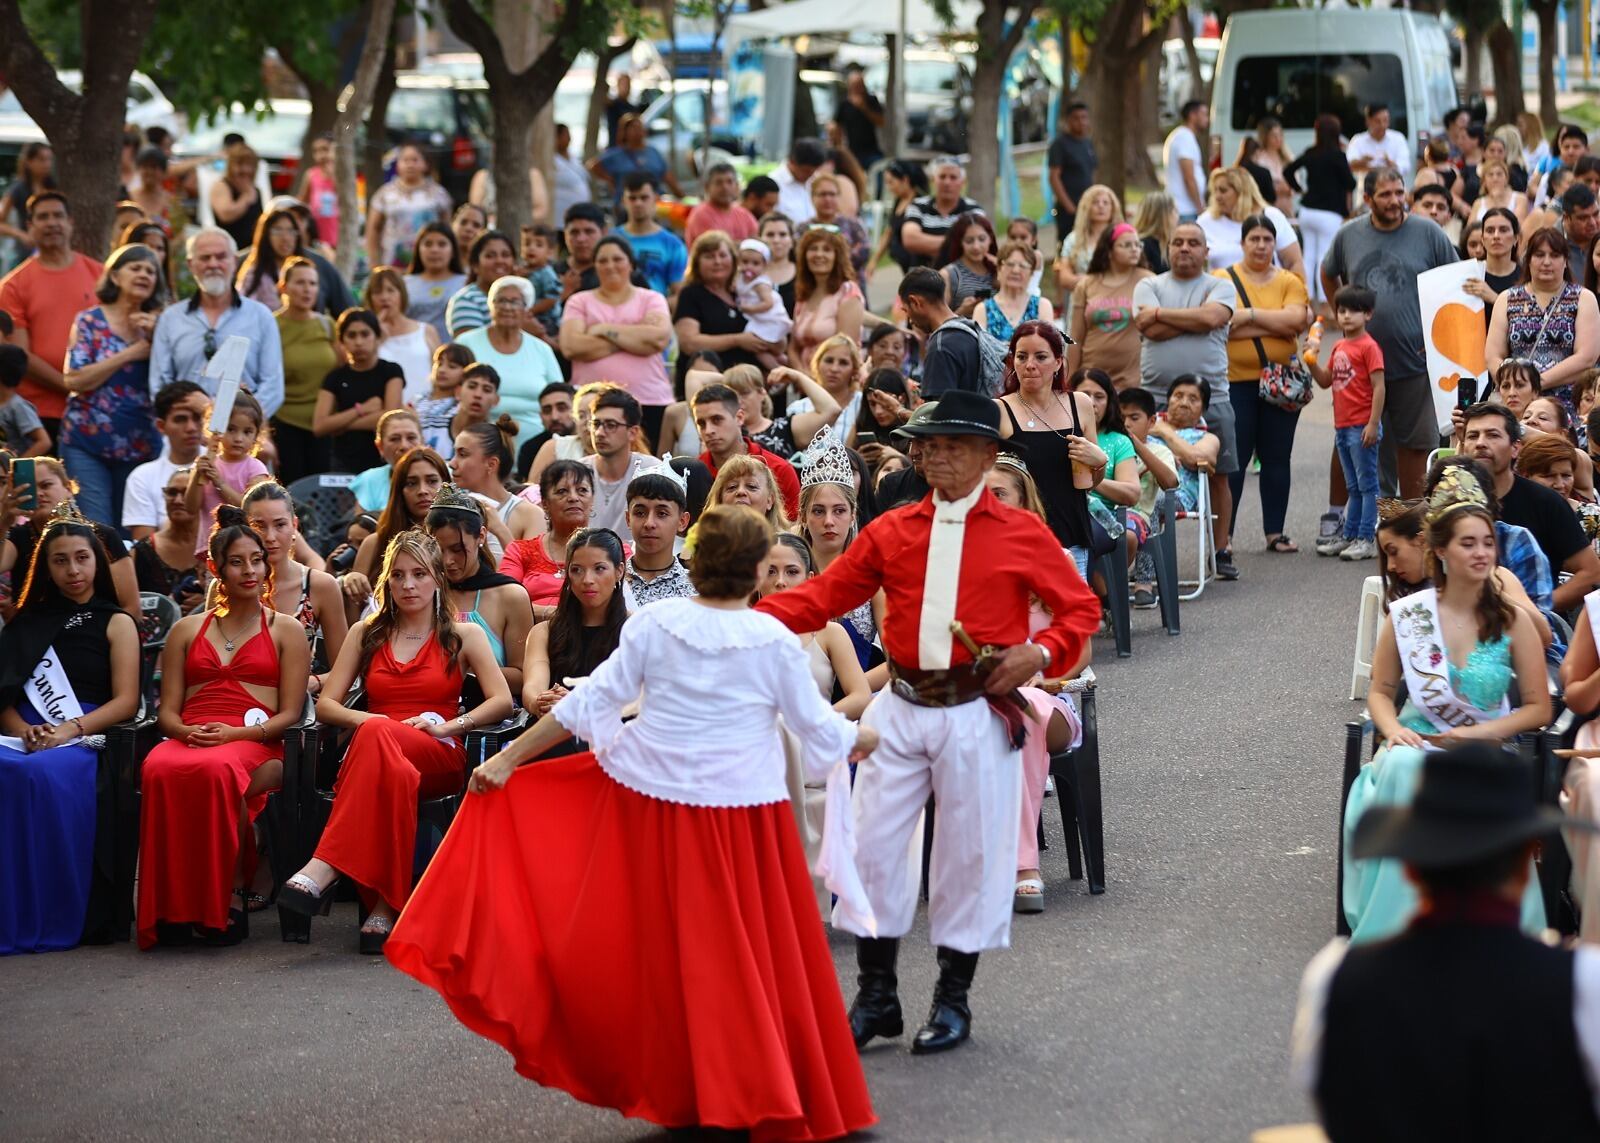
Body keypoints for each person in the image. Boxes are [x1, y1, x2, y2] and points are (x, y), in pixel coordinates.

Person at [391, 504, 877, 1139]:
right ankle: (752, 1084)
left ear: (695, 564)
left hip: (663, 811)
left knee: (675, 952)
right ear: (758, 571)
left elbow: (592, 700)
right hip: (745, 820)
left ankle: (696, 1086)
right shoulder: (775, 641)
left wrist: (509, 759)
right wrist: (865, 738)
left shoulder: (656, 623)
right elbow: (817, 729)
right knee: (749, 954)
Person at [756, 389, 1098, 1056]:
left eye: (945, 444)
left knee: (968, 856)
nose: (928, 454)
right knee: (873, 849)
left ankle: (952, 998)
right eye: (924, 443)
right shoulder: (891, 528)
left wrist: (1038, 650)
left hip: (975, 709)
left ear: (983, 454)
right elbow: (825, 595)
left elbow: (1080, 611)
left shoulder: (1023, 531)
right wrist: (736, 619)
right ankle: (878, 995)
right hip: (901, 708)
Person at [1297, 743, 1600, 1139]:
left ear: (1409, 868)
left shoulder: (1333, 978)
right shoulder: (1583, 985)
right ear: (1524, 867)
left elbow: (1333, 1105)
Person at [1341, 467, 1551, 948]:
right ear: (1440, 551)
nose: (1482, 553)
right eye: (1468, 544)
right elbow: (1380, 689)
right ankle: (1399, 930)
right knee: (1401, 770)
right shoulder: (1408, 617)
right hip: (1416, 738)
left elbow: (1540, 708)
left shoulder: (1513, 620)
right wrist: (1392, 729)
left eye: (1487, 543)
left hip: (1486, 744)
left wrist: (1476, 736)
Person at [281, 530, 510, 952]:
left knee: (377, 742)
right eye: (398, 575)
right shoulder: (367, 632)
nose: (408, 585)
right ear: (386, 582)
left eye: (419, 574)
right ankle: (386, 907)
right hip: (380, 751)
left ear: (438, 579)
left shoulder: (464, 635)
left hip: (436, 749)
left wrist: (448, 727)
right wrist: (376, 721)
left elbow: (502, 701)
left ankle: (326, 865)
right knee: (382, 749)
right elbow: (329, 705)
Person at [136, 510, 312, 948]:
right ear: (215, 567)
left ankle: (228, 893)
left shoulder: (287, 630)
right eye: (237, 561)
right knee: (159, 767)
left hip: (258, 740)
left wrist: (234, 736)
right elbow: (167, 712)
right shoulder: (185, 629)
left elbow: (291, 712)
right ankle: (171, 906)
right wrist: (185, 733)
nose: (249, 570)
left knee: (217, 773)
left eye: (256, 560)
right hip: (193, 735)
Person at [0, 508, 140, 955]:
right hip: (25, 729)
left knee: (35, 775)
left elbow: (126, 701)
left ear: (98, 562)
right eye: (60, 560)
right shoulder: (26, 622)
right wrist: (24, 730)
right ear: (45, 567)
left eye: (82, 557)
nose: (73, 570)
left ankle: (58, 909)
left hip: (84, 731)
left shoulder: (116, 621)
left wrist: (67, 730)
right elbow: (3, 695)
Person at [1322, 168, 1460, 499]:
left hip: (1414, 358)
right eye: (1385, 194)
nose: (1395, 201)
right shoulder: (1349, 235)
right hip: (1359, 363)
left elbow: (1453, 282)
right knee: (1352, 440)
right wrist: (1344, 317)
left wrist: (1441, 344)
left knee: (1415, 445)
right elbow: (1329, 274)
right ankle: (1340, 519)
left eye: (1400, 192)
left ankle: (1408, 521)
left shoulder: (1428, 233)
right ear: (1367, 199)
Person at [1133, 222, 1241, 575]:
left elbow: (1213, 317)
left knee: (1219, 474)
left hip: (1213, 397)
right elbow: (1146, 327)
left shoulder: (1220, 286)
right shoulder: (1149, 284)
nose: (1184, 248)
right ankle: (1144, 555)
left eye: (1193, 243)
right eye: (1177, 242)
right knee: (1144, 471)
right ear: (1168, 248)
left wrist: (1161, 315)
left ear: (1206, 251)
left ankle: (1221, 549)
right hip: (1153, 398)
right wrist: (1195, 321)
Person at [1218, 214, 1313, 553]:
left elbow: (1297, 319)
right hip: (1234, 383)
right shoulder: (1222, 280)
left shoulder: (1289, 280)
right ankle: (1223, 538)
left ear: (1275, 243)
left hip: (1280, 383)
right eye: (1254, 239)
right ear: (1242, 243)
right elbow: (1221, 325)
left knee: (1276, 458)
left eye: (1267, 239)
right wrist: (1275, 324)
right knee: (1235, 460)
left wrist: (1248, 316)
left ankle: (1276, 531)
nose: (1261, 245)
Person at [59, 243, 163, 526]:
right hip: (86, 443)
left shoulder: (162, 327)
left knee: (131, 531)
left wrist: (158, 338)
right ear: (115, 276)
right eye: (136, 268)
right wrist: (131, 353)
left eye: (151, 271)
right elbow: (75, 380)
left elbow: (175, 381)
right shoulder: (90, 321)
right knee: (97, 530)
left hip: (141, 448)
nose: (144, 274)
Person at [1462, 402, 1600, 611]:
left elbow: (1590, 573)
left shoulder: (1545, 502)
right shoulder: (1450, 498)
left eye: (1492, 435)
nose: (1481, 443)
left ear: (1515, 448)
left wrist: (1534, 609)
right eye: (1473, 436)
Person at [996, 320, 1106, 575]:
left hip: (1071, 533)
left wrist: (1099, 462)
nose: (1030, 365)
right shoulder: (1000, 409)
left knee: (1071, 612)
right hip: (1019, 539)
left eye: (1041, 356)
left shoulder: (1080, 404)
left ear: (1058, 362)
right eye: (1021, 357)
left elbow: (1089, 483)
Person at [149, 227, 284, 419]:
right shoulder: (171, 319)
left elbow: (273, 387)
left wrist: (232, 421)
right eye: (205, 258)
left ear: (234, 262)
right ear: (190, 264)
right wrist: (189, 416)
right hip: (186, 434)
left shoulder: (261, 316)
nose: (213, 264)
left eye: (221, 257)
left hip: (240, 439)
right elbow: (159, 385)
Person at [0, 192, 103, 438]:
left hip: (98, 409)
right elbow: (20, 354)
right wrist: (72, 386)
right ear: (30, 226)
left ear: (71, 222)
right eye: (43, 217)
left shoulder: (100, 274)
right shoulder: (13, 285)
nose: (52, 222)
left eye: (58, 215)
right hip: (39, 415)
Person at [559, 235, 673, 447]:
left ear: (630, 263)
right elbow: (571, 345)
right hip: (591, 406)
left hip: (650, 400)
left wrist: (602, 329)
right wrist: (636, 337)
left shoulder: (652, 299)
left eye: (617, 259)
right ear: (595, 266)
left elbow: (658, 338)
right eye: (603, 260)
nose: (610, 266)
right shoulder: (579, 301)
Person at [425, 484, 533, 696]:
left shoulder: (510, 596)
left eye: (457, 549)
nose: (448, 561)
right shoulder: (423, 590)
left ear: (481, 536)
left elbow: (523, 678)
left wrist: (465, 668)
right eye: (438, 550)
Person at [239, 482, 348, 687]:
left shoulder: (321, 586)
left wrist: (310, 682)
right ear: (245, 529)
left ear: (295, 526)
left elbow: (346, 673)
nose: (270, 537)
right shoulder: (228, 587)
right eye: (259, 526)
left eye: (280, 525)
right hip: (235, 700)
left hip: (301, 707)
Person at [1487, 226, 1600, 418]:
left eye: (1554, 255)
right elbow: (1492, 356)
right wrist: (1515, 387)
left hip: (1564, 404)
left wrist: (1536, 383)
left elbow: (1587, 357)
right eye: (1539, 255)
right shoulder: (1507, 298)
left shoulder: (1583, 298)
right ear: (1528, 260)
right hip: (1515, 404)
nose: (1546, 262)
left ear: (1565, 261)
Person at [521, 526, 627, 721]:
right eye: (577, 570)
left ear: (619, 571)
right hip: (553, 724)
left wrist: (578, 703)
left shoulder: (636, 629)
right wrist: (541, 701)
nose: (587, 580)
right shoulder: (545, 631)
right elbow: (533, 685)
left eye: (599, 569)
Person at [456, 277, 562, 455]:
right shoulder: (466, 342)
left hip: (535, 447)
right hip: (478, 444)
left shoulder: (542, 349)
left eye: (514, 302)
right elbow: (449, 389)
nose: (507, 307)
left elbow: (559, 395)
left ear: (526, 309)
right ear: (491, 306)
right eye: (501, 300)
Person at [341, 447, 450, 612]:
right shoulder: (374, 543)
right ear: (399, 491)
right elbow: (354, 617)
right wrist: (350, 582)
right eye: (411, 483)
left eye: (432, 481)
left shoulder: (459, 542)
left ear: (447, 487)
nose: (422, 491)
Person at [270, 255, 336, 482]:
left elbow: (343, 368)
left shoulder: (327, 325)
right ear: (283, 287)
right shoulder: (271, 326)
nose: (307, 289)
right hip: (285, 424)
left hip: (324, 426)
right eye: (300, 282)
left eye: (313, 283)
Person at [314, 308, 404, 474]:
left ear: (377, 337)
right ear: (342, 341)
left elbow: (390, 418)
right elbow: (319, 426)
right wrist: (361, 410)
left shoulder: (391, 371)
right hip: (344, 462)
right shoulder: (335, 377)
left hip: (384, 461)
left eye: (365, 334)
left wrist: (340, 425)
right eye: (351, 335)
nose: (359, 342)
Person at [694, 382, 801, 519]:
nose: (708, 431)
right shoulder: (693, 472)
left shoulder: (779, 469)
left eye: (717, 420)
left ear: (739, 417)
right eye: (701, 423)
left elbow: (795, 529)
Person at [675, 230, 772, 378]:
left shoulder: (742, 293)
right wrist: (737, 340)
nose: (717, 262)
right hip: (707, 383)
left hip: (746, 384)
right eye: (709, 257)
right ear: (697, 262)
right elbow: (689, 343)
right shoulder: (691, 294)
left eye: (723, 255)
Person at [501, 460, 594, 615]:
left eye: (582, 490)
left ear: (592, 500)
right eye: (562, 491)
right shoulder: (520, 551)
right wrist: (559, 616)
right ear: (545, 504)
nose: (573, 497)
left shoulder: (612, 549)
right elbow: (504, 600)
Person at [1066, 224, 1151, 391]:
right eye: (1126, 245)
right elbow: (1076, 338)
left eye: (1137, 245)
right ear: (1109, 251)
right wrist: (1069, 380)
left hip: (1134, 381)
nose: (1134, 249)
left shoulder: (1149, 282)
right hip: (1091, 381)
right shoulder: (1086, 285)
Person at [447, 415, 542, 558]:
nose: (452, 463)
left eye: (463, 454)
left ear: (491, 464)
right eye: (454, 453)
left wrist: (499, 529)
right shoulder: (453, 509)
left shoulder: (530, 515)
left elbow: (532, 574)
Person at [124, 381, 208, 539]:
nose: (191, 427)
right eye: (180, 419)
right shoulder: (142, 477)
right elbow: (144, 550)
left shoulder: (223, 466)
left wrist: (212, 408)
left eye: (198, 417)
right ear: (161, 426)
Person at [898, 266, 986, 399]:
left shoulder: (940, 347)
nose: (910, 320)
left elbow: (939, 415)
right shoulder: (971, 328)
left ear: (915, 302)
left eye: (906, 310)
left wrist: (899, 410)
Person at [365, 143, 453, 270]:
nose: (410, 164)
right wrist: (374, 262)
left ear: (425, 164)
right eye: (405, 160)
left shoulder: (439, 194)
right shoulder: (384, 194)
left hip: (429, 265)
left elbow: (447, 228)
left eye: (415, 160)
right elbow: (373, 228)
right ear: (397, 164)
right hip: (392, 264)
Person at [790, 228, 864, 370]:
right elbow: (793, 348)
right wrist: (802, 376)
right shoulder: (804, 296)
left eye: (827, 250)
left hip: (834, 383)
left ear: (837, 256)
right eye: (813, 249)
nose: (819, 254)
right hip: (804, 384)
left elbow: (844, 349)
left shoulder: (848, 292)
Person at [365, 267, 440, 407]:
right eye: (377, 292)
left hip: (426, 411)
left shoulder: (426, 330)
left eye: (391, 290)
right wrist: (376, 338)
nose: (384, 297)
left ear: (402, 293)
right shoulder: (365, 335)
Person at [621, 470, 695, 609]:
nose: (649, 523)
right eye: (640, 513)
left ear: (682, 521)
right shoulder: (611, 582)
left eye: (662, 513)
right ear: (628, 518)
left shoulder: (697, 590)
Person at [132, 467, 201, 608]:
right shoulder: (141, 552)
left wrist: (209, 602)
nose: (177, 500)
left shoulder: (216, 548)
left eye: (186, 492)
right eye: (172, 492)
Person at [612, 174, 687, 299]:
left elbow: (679, 293)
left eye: (644, 197)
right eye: (632, 198)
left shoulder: (673, 244)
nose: (638, 203)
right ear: (623, 201)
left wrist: (656, 309)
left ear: (655, 199)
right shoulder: (610, 239)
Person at [901, 158, 983, 266]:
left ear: (962, 182)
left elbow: (979, 245)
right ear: (933, 180)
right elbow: (910, 240)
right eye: (942, 176)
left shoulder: (973, 209)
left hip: (962, 278)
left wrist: (927, 245)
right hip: (923, 278)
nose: (947, 182)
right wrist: (957, 243)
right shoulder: (918, 206)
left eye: (953, 177)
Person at [589, 114, 681, 206]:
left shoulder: (653, 152)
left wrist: (681, 197)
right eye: (633, 128)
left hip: (654, 204)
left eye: (639, 127)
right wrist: (611, 180)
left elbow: (668, 177)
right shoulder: (616, 155)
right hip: (627, 206)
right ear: (625, 132)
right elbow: (592, 165)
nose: (637, 131)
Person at [976, 240, 1054, 347]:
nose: (1016, 270)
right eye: (1010, 264)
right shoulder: (983, 309)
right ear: (999, 270)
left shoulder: (1043, 306)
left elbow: (1050, 348)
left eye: (1023, 266)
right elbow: (978, 352)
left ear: (1031, 273)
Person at [1054, 184, 1122, 303]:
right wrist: (1095, 281)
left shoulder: (1122, 237)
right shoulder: (1073, 239)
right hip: (1081, 301)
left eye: (1106, 203)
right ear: (1086, 208)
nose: (1101, 206)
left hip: (1115, 301)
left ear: (1113, 208)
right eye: (1095, 202)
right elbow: (1064, 278)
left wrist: (1086, 280)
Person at [349, 409, 425, 513]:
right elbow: (359, 528)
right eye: (395, 439)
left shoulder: (444, 472)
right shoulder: (370, 479)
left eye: (411, 438)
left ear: (422, 442)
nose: (404, 446)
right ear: (380, 447)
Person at [445, 230, 517, 339]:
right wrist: (522, 330)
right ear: (475, 265)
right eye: (490, 256)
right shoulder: (466, 300)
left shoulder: (522, 298)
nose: (499, 261)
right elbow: (471, 349)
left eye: (505, 255)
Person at [733, 239, 792, 371]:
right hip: (758, 318)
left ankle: (776, 370)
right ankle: (782, 361)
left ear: (764, 266)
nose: (749, 267)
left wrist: (749, 309)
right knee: (764, 348)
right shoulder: (741, 277)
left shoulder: (760, 284)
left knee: (757, 347)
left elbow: (768, 303)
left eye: (755, 263)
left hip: (767, 318)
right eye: (745, 262)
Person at [402, 222, 467, 342]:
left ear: (453, 251)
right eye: (428, 244)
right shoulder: (404, 284)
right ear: (418, 249)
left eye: (442, 244)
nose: (434, 250)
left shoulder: (466, 283)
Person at [1464, 207, 1523, 330]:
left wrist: (1494, 298)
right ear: (1482, 239)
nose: (1496, 236)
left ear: (1516, 238)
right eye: (1490, 231)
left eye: (1503, 230)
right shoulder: (1469, 273)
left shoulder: (1526, 277)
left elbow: (1531, 323)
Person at [0, 142, 54, 274]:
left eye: (49, 159)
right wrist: (22, 235)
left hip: (52, 252)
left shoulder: (54, 187)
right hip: (24, 253)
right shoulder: (18, 189)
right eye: (42, 159)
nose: (47, 164)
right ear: (29, 162)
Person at [872, 159, 932, 275]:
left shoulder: (920, 205)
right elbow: (889, 231)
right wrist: (874, 260)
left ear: (905, 180)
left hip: (918, 269)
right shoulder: (899, 201)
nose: (889, 187)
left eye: (891, 182)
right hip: (905, 267)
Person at [235, 208, 303, 308]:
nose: (285, 238)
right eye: (277, 230)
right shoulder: (254, 275)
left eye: (291, 231)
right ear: (266, 235)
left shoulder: (306, 270)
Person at [1048, 101, 1098, 239]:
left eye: (1084, 117)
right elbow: (1054, 177)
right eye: (1076, 118)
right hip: (1068, 210)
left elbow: (1092, 172)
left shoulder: (1088, 143)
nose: (1081, 122)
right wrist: (1069, 207)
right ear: (1068, 120)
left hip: (1087, 206)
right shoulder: (1059, 145)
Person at [684, 162, 758, 246]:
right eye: (719, 183)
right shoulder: (701, 214)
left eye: (729, 182)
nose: (725, 187)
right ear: (707, 187)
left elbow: (757, 242)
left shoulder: (744, 214)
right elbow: (716, 249)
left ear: (737, 186)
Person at [209, 142, 263, 255]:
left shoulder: (256, 190)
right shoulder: (222, 186)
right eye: (240, 164)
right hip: (228, 251)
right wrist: (245, 198)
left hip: (253, 251)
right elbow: (226, 215)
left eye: (249, 165)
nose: (245, 170)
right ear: (231, 165)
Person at [1162, 100, 1209, 220]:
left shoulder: (1185, 137)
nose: (1207, 119)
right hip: (1184, 210)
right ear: (1192, 115)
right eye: (1204, 114)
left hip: (1185, 209)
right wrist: (1200, 207)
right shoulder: (1184, 138)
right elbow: (1189, 177)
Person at [834, 66, 886, 168]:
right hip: (852, 150)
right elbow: (838, 126)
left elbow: (881, 121)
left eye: (859, 85)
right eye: (854, 86)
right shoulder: (845, 104)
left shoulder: (871, 100)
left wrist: (864, 108)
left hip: (871, 150)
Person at [1346, 102, 1411, 176]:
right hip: (1366, 187)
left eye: (1385, 120)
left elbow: (1405, 166)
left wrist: (1390, 163)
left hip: (1393, 186)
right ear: (1368, 121)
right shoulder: (1357, 140)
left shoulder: (1398, 138)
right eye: (1377, 121)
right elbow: (1349, 165)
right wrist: (1362, 161)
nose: (1382, 125)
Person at [550, 124, 592, 235]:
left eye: (569, 134)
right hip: (559, 218)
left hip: (581, 213)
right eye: (565, 135)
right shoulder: (549, 160)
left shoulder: (573, 157)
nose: (569, 138)